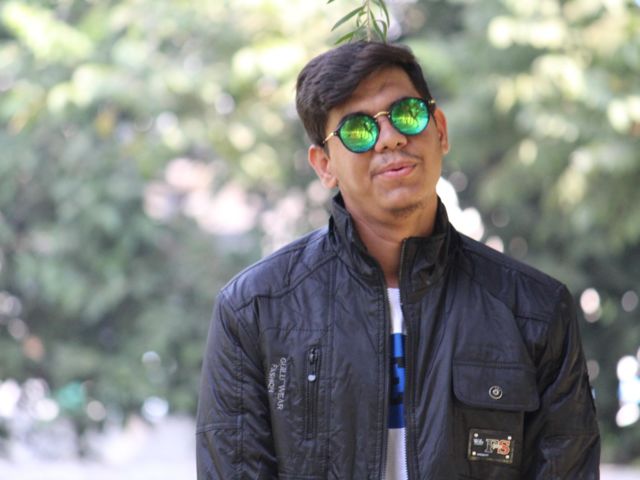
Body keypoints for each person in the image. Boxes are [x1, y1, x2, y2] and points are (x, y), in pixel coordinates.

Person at [196, 41, 600, 479]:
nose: (390, 137)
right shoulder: (256, 311)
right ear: (325, 165)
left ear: (440, 130)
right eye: (357, 129)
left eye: (407, 114)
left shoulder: (534, 311)